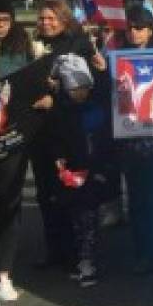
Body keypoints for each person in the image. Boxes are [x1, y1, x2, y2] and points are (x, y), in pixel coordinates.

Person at [0, 0, 52, 304]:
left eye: (6, 19)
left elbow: (36, 88)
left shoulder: (22, 50)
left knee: (10, 205)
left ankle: (4, 274)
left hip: (12, 142)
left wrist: (46, 98)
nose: (1, 25)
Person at [31, 0, 106, 273]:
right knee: (45, 192)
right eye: (41, 18)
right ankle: (55, 250)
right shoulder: (33, 47)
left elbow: (84, 89)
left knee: (71, 191)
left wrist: (56, 92)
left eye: (51, 18)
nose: (45, 23)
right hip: (40, 131)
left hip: (69, 130)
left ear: (63, 19)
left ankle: (79, 252)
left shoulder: (80, 44)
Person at [112, 5, 153, 273]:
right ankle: (142, 252)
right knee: (137, 200)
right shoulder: (115, 58)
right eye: (130, 28)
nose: (134, 32)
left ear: (150, 30)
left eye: (140, 27)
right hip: (129, 138)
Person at [52, 54, 108, 287]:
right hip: (71, 173)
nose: (80, 92)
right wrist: (58, 158)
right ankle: (79, 260)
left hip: (92, 172)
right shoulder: (60, 112)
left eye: (84, 87)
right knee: (74, 218)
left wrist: (102, 169)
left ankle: (88, 263)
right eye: (75, 88)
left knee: (88, 220)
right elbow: (56, 139)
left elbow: (105, 142)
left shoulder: (96, 110)